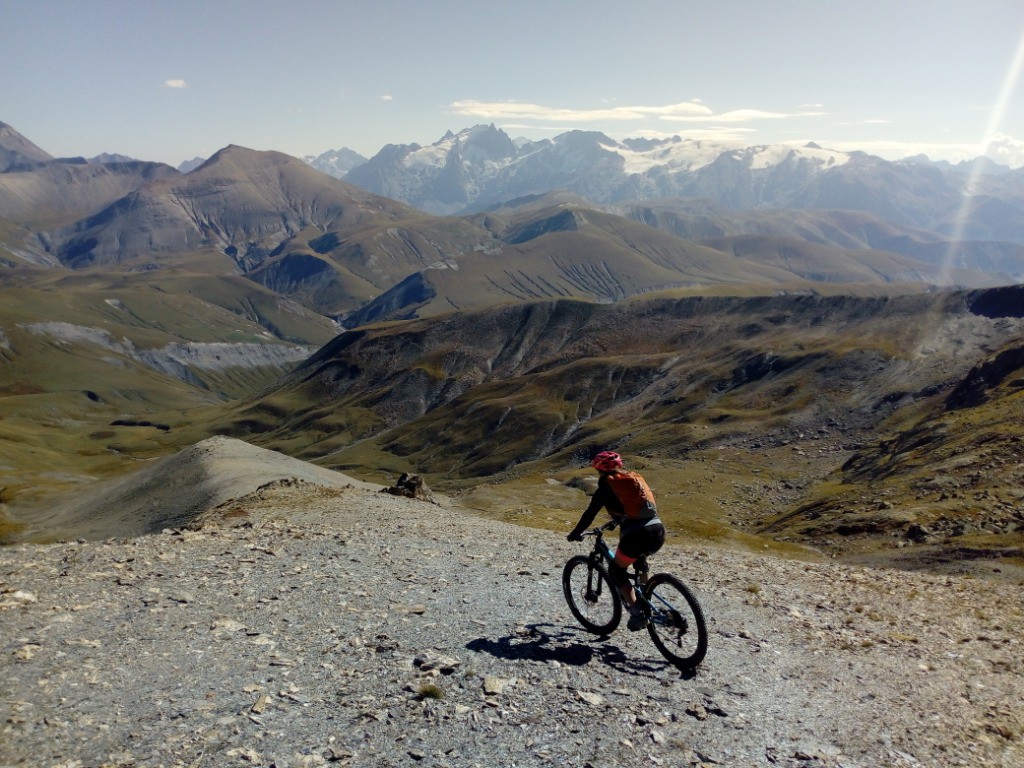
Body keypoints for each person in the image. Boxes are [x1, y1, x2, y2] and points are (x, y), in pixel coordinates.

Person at [567, 450, 665, 631]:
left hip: (637, 534)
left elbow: (590, 514)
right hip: (657, 530)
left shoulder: (606, 486)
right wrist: (618, 520)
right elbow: (631, 507)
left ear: (598, 469)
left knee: (616, 571)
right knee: (639, 560)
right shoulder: (632, 479)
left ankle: (638, 612)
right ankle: (645, 600)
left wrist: (575, 533)